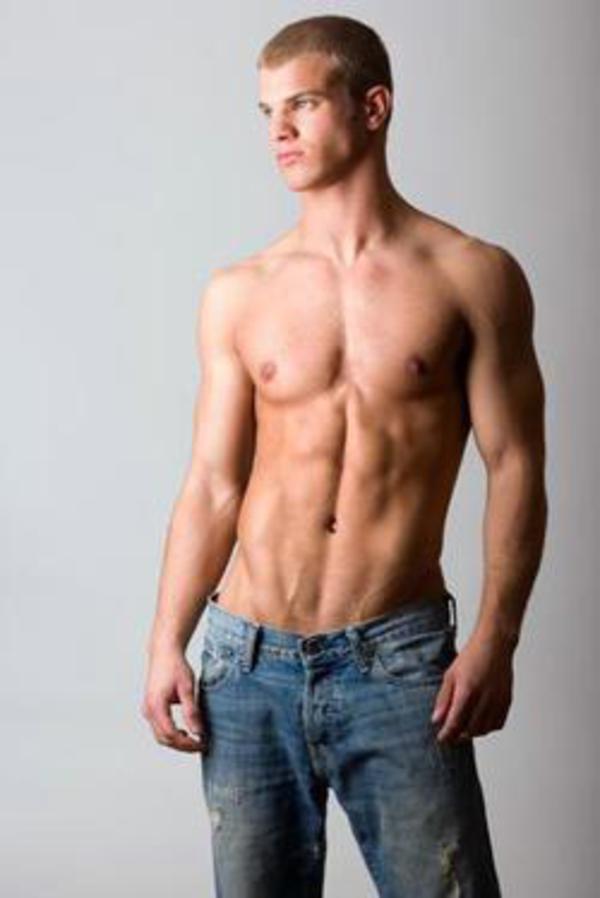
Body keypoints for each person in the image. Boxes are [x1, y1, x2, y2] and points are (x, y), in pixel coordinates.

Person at [141, 14, 547, 898]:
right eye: (267, 112)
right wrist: (167, 641)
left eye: (303, 104)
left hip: (396, 662)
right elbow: (212, 484)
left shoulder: (471, 276)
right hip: (245, 664)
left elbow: (515, 464)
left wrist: (496, 637)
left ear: (373, 107)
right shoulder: (239, 293)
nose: (278, 131)